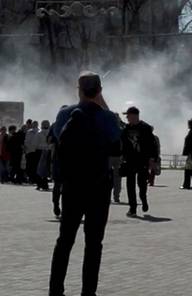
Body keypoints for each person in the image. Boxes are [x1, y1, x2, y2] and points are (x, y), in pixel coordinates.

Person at [49, 71, 121, 296]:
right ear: (100, 91)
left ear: (78, 90)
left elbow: (56, 138)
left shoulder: (65, 114)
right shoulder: (108, 117)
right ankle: (88, 292)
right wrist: (103, 104)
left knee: (65, 240)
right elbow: (115, 142)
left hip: (72, 185)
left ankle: (56, 290)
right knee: (94, 243)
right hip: (99, 185)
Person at [121, 106, 157, 217]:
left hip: (143, 160)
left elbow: (153, 145)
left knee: (142, 184)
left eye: (128, 115)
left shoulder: (145, 128)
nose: (127, 117)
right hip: (130, 160)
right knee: (130, 185)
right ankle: (133, 208)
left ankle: (144, 199)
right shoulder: (126, 129)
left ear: (134, 115)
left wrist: (152, 159)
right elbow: (123, 144)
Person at [36, 120, 52, 191]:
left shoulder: (39, 133)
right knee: (46, 168)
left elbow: (35, 143)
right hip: (49, 151)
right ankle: (45, 184)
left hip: (39, 150)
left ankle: (39, 184)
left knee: (39, 168)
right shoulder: (51, 133)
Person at [24, 120, 40, 184]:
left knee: (30, 166)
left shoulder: (30, 132)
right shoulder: (38, 131)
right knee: (34, 166)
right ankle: (34, 179)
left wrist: (27, 148)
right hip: (36, 151)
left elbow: (26, 141)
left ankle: (32, 178)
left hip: (31, 151)